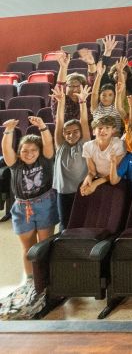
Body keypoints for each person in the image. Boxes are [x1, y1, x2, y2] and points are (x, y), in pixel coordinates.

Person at [2, 117, 57, 290]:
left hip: (45, 205)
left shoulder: (45, 160)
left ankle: (47, 279)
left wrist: (42, 126)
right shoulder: (15, 164)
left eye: (33, 150)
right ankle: (30, 281)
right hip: (22, 208)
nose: (29, 153)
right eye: (25, 150)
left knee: (44, 244)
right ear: (19, 152)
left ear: (39, 151)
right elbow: (6, 149)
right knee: (28, 247)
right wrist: (9, 130)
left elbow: (48, 144)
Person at [51, 83, 91, 229]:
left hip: (82, 191)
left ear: (80, 133)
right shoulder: (61, 145)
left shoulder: (85, 144)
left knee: (82, 221)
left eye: (75, 131)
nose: (71, 135)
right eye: (67, 132)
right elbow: (59, 122)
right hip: (63, 192)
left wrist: (82, 102)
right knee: (65, 223)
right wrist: (60, 103)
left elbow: (84, 122)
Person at [80, 115, 125, 195]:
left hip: (117, 180)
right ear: (94, 131)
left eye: (107, 127)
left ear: (113, 130)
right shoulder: (87, 146)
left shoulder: (118, 144)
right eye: (100, 128)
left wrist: (95, 184)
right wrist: (89, 178)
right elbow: (92, 172)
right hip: (100, 179)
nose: (103, 130)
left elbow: (117, 171)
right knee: (84, 189)